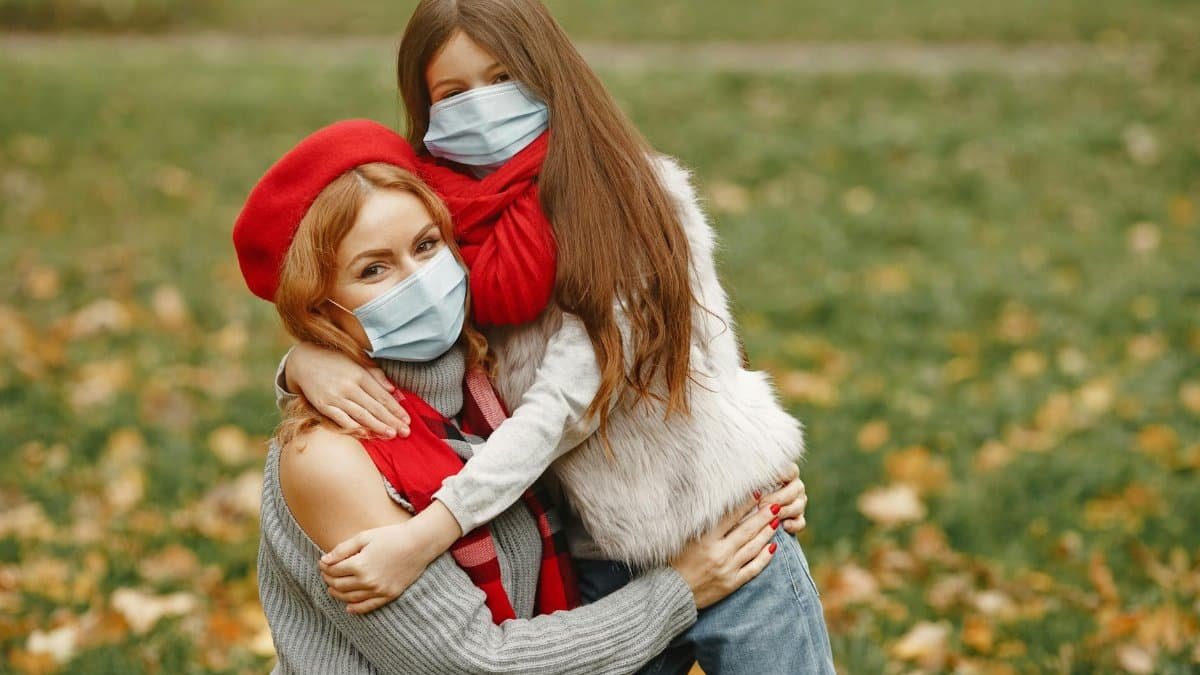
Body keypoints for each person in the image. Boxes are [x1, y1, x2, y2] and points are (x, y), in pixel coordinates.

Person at [280, 1, 836, 672]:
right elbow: (397, 327)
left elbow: (562, 408)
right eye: (452, 93)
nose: (482, 106)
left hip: (724, 531)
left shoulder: (628, 201)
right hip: (589, 558)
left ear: (549, 77)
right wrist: (303, 359)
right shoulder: (450, 229)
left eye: (503, 77)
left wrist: (427, 533)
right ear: (426, 113)